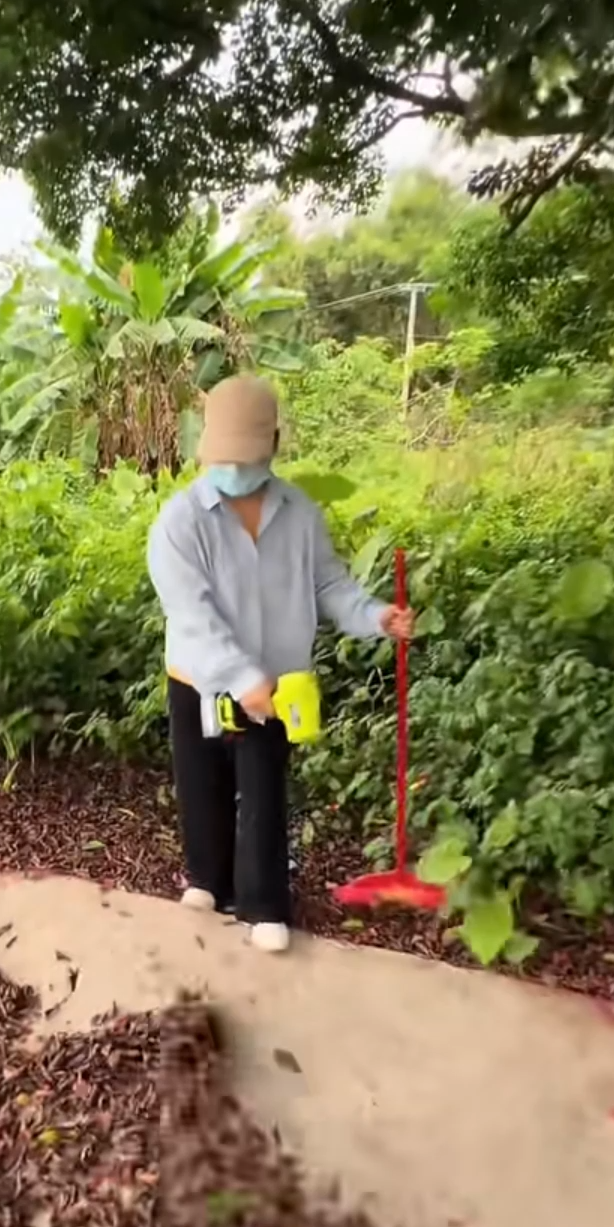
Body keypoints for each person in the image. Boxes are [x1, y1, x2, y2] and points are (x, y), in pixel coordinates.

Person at [147, 375, 414, 953]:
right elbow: (190, 612)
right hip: (200, 679)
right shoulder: (179, 521)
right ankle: (207, 881)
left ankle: (265, 903)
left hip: (278, 681)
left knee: (264, 787)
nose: (235, 468)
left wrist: (374, 616)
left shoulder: (299, 514)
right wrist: (242, 678)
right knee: (203, 784)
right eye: (225, 458)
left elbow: (329, 584)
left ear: (273, 446)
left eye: (246, 457)